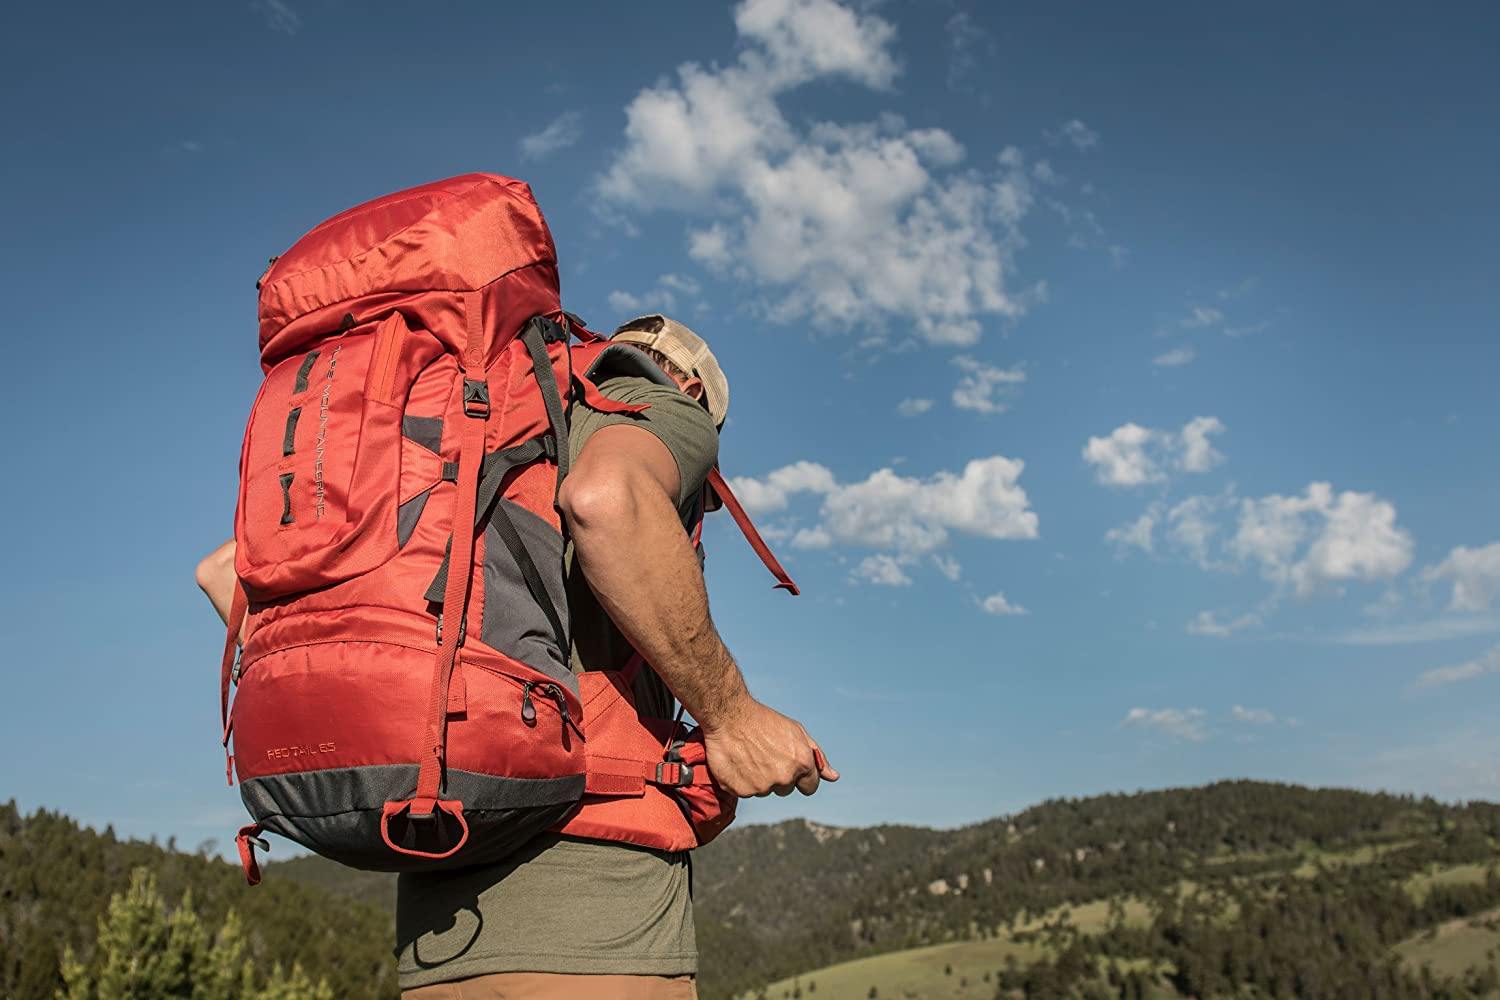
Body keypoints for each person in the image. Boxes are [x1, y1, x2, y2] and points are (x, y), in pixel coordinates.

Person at [197, 313, 837, 1000]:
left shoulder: (480, 428)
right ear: (691, 390)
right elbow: (606, 500)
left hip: (435, 911)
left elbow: (224, 571)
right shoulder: (655, 401)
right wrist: (732, 717)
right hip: (593, 918)